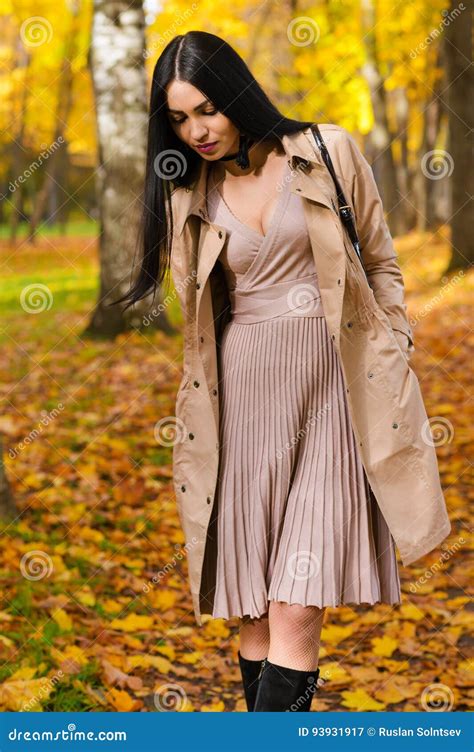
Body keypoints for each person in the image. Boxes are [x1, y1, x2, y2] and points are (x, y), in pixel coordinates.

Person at [113, 30, 451, 712]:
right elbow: (201, 316)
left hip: (336, 399)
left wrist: (395, 345)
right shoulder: (189, 192)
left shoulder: (327, 152)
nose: (196, 130)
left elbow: (380, 262)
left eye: (206, 108)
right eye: (178, 118)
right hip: (240, 409)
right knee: (257, 616)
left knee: (297, 608)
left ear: (237, 93)